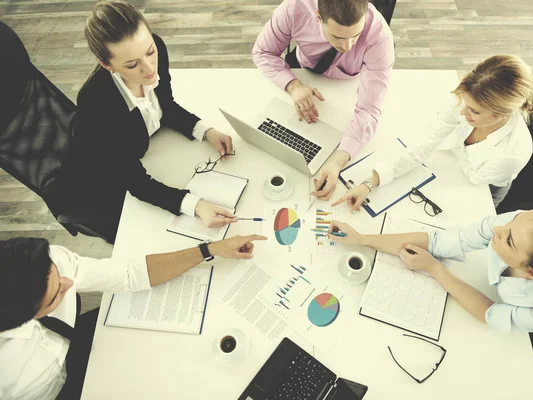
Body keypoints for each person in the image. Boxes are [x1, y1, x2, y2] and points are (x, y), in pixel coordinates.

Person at [0, 234, 267, 399]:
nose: (71, 284)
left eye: (58, 271)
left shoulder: (42, 261)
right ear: (25, 317)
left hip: (83, 339)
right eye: (56, 294)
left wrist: (209, 250)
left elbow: (130, 274)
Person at [58, 1, 236, 242]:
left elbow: (166, 106)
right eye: (131, 65)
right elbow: (136, 183)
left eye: (150, 52)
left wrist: (205, 131)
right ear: (107, 65)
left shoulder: (157, 47)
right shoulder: (96, 102)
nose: (149, 68)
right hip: (105, 181)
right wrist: (195, 205)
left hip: (149, 152)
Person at [327, 209, 533, 333]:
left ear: (532, 273)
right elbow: (439, 241)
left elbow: (491, 314)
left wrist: (435, 269)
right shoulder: (517, 226)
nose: (498, 228)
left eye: (508, 240)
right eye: (516, 219)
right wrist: (362, 238)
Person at [333, 55, 533, 210]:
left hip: (484, 188)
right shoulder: (466, 99)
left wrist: (448, 144)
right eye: (465, 104)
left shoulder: (511, 155)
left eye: (474, 111)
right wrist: (371, 183)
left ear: (502, 114)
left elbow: (474, 178)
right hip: (454, 165)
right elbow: (424, 145)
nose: (463, 112)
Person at [252, 0, 394, 201]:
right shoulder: (294, 8)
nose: (347, 46)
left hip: (347, 86)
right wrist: (293, 85)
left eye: (355, 35)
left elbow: (369, 111)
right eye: (337, 36)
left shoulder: (379, 36)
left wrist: (336, 162)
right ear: (318, 17)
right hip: (303, 71)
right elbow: (263, 52)